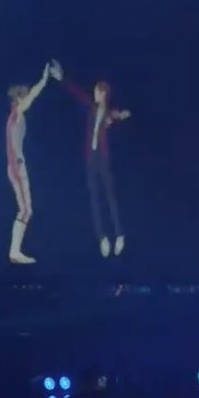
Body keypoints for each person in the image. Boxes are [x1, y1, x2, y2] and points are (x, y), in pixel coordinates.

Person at [61, 70, 131, 258]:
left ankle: (120, 235)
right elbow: (77, 93)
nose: (94, 94)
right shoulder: (91, 107)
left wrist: (120, 117)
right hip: (90, 157)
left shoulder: (108, 113)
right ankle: (102, 238)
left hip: (103, 157)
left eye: (96, 92)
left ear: (103, 93)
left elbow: (116, 115)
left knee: (109, 195)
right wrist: (62, 77)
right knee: (94, 197)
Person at [5, 61, 60, 264]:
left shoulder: (15, 115)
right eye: (25, 96)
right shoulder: (16, 113)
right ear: (19, 98)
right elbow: (33, 96)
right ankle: (14, 251)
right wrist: (44, 79)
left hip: (18, 165)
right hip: (17, 166)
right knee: (25, 210)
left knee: (27, 210)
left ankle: (15, 251)